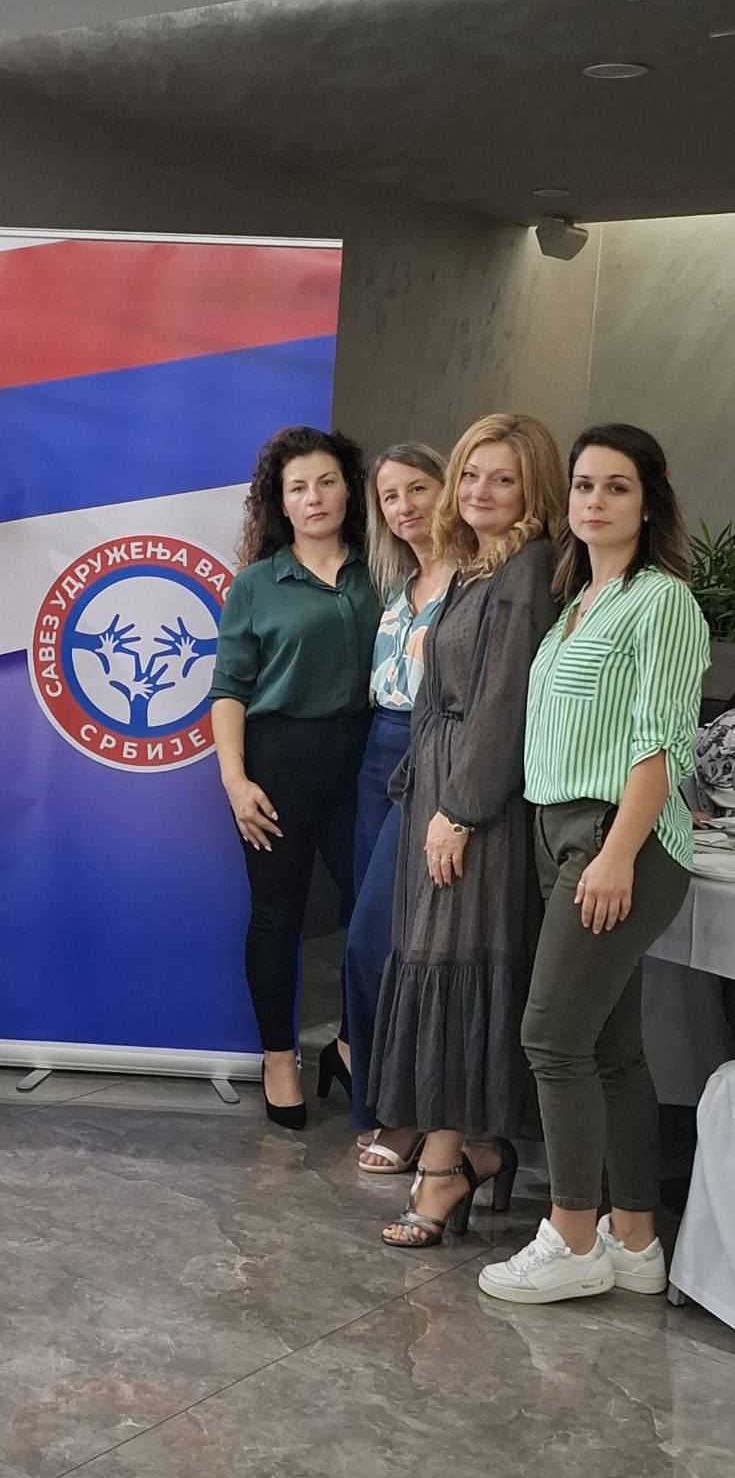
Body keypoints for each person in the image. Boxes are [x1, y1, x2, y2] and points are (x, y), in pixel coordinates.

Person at [481, 425, 709, 1303]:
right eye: (582, 485)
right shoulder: (580, 599)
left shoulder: (661, 601)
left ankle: (572, 1240)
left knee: (550, 1036)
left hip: (615, 836)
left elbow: (659, 744)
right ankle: (634, 1238)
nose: (594, 501)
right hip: (559, 829)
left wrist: (616, 853)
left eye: (616, 487)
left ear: (648, 502)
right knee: (609, 1048)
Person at [369, 413, 564, 1246]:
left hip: (474, 803)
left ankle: (445, 1165)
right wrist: (420, 791)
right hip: (437, 789)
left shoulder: (524, 569)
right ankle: (478, 1148)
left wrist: (460, 809)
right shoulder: (473, 564)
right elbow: (434, 692)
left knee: (451, 974)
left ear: (533, 490)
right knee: (431, 969)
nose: (479, 491)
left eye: (502, 479)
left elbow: (501, 705)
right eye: (471, 474)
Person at [209, 427, 379, 1130]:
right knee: (278, 915)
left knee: (370, 912)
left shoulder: (384, 571)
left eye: (327, 482)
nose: (314, 498)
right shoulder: (256, 583)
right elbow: (228, 690)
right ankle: (278, 1058)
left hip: (365, 759)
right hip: (277, 762)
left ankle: (348, 1045)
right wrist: (234, 781)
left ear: (350, 490)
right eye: (298, 487)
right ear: (279, 502)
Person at [340, 444, 452, 1173]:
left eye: (418, 489)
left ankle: (406, 1112)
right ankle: (381, 1100)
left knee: (379, 940)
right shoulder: (397, 585)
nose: (404, 506)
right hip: (376, 752)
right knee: (370, 936)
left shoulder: (476, 583)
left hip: (430, 754)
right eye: (389, 496)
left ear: (448, 490)